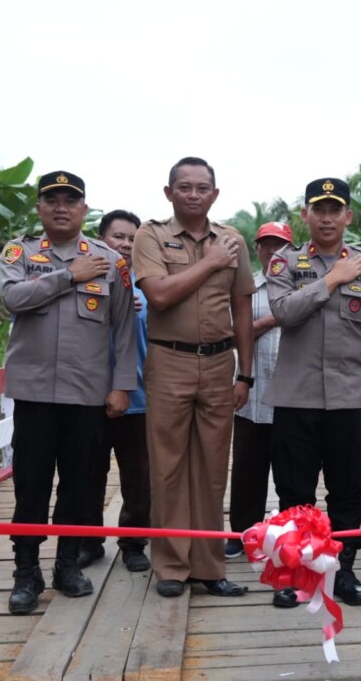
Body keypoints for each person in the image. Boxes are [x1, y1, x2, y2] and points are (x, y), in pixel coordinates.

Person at [0, 171, 137, 614]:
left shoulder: (108, 260)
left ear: (84, 209)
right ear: (40, 208)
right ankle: (26, 574)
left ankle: (67, 565)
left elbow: (122, 330)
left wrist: (121, 387)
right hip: (35, 394)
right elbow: (12, 299)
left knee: (79, 484)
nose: (61, 207)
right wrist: (68, 276)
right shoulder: (20, 252)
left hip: (87, 396)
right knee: (31, 485)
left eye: (70, 200)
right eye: (52, 199)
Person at [265, 177, 361, 608]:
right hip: (296, 398)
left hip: (352, 399)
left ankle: (343, 569)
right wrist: (331, 281)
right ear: (305, 215)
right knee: (293, 491)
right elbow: (283, 312)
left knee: (347, 490)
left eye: (334, 209)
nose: (326, 217)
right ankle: (296, 571)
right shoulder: (285, 263)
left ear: (348, 216)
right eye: (318, 209)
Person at [132, 156, 254, 598]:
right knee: (167, 465)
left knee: (212, 467)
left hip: (220, 363)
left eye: (203, 187)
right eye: (184, 187)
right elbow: (159, 295)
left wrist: (247, 373)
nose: (194, 194)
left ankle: (209, 566)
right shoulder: (151, 235)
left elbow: (242, 306)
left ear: (215, 194)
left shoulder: (233, 240)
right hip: (170, 361)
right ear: (169, 193)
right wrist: (209, 262)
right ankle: (170, 567)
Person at [79, 210, 152, 573]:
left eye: (131, 239)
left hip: (139, 399)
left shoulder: (149, 287)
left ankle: (134, 541)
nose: (124, 244)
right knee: (87, 473)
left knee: (139, 477)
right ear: (100, 239)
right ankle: (89, 541)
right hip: (89, 397)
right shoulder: (83, 280)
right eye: (117, 237)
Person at [225, 221, 295, 560]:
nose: (273, 252)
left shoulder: (302, 286)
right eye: (266, 245)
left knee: (291, 474)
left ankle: (288, 537)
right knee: (247, 472)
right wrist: (274, 319)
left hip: (293, 398)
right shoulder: (247, 287)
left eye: (280, 246)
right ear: (257, 249)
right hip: (251, 393)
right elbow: (231, 333)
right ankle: (242, 535)